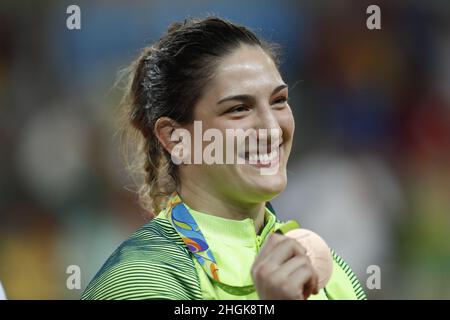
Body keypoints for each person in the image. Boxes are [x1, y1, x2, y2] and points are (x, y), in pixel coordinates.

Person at [81, 16, 366, 300]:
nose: (271, 128)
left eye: (279, 101)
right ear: (174, 138)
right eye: (239, 108)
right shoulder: (139, 279)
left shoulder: (329, 274)